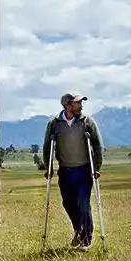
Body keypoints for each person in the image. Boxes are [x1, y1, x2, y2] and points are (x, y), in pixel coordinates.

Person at [41, 92, 104, 251]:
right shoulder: (54, 124)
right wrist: (48, 167)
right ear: (68, 105)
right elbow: (47, 146)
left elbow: (97, 145)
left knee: (83, 203)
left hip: (84, 170)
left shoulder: (87, 122)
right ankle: (79, 228)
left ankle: (86, 240)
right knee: (68, 203)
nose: (81, 105)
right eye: (77, 102)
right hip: (65, 170)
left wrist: (96, 167)